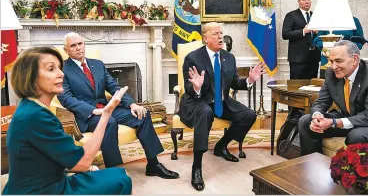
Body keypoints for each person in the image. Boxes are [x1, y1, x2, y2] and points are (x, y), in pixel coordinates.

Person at [3, 47, 132, 194]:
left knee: (117, 175)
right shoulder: (36, 116)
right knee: (122, 179)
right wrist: (106, 113)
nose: (61, 74)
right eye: (51, 69)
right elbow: (82, 162)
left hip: (51, 182)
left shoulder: (31, 107)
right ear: (30, 77)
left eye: (59, 68)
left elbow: (52, 154)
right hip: (43, 191)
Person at [57, 32, 179, 179]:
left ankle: (153, 164)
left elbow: (114, 87)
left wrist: (132, 104)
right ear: (66, 50)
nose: (78, 48)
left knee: (143, 114)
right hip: (88, 115)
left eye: (80, 44)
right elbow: (66, 99)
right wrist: (93, 110)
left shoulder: (97, 64)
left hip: (107, 108)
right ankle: (113, 170)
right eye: (73, 45)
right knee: (109, 122)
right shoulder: (63, 70)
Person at [179, 22, 265, 191]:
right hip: (198, 101)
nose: (220, 37)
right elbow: (189, 89)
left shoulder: (228, 57)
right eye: (215, 34)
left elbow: (233, 83)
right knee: (205, 112)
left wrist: (249, 80)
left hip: (221, 101)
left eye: (221, 33)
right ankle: (197, 167)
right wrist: (196, 86)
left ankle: (221, 146)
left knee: (249, 115)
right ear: (205, 38)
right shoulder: (193, 58)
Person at [298, 41, 368, 156]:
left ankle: (350, 173)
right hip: (347, 118)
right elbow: (322, 101)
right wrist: (317, 115)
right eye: (331, 61)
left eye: (338, 61)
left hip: (365, 124)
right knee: (305, 122)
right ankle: (312, 168)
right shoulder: (331, 73)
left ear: (355, 60)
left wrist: (335, 122)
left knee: (356, 136)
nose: (333, 66)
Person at [282, 0, 320, 79]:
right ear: (299, 2)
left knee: (311, 87)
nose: (307, 1)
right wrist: (303, 31)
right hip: (298, 59)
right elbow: (285, 34)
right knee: (296, 88)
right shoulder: (291, 15)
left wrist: (317, 32)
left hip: (313, 58)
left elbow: (321, 36)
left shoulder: (315, 16)